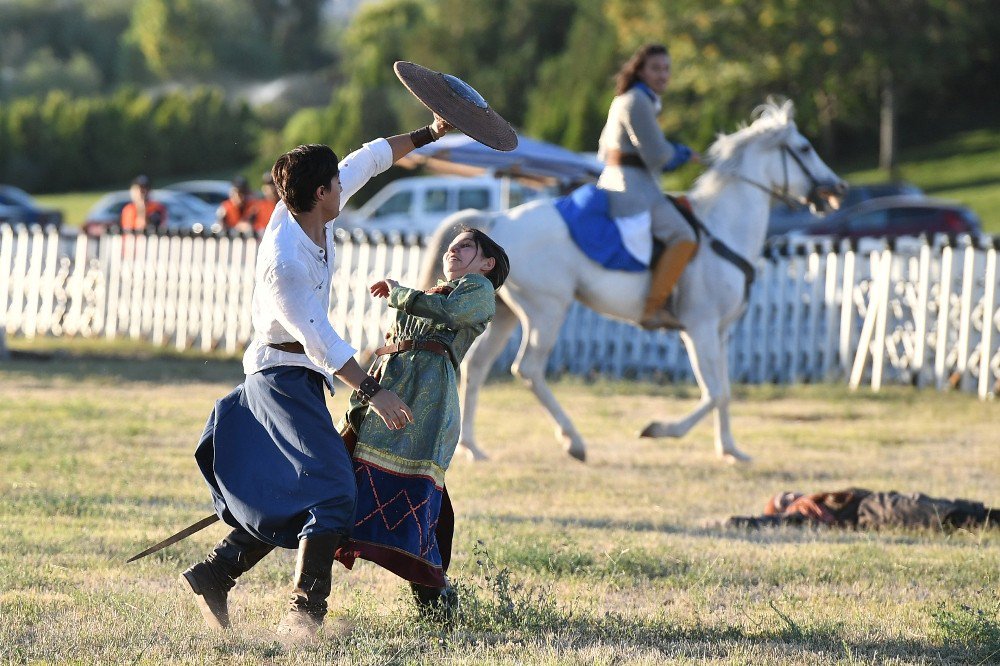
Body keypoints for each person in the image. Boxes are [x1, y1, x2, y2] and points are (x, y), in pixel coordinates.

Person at [178, 114, 454, 641]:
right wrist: (374, 391)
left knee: (310, 486)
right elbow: (321, 340)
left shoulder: (313, 203)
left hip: (300, 377)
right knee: (333, 491)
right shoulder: (284, 262)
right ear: (322, 192)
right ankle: (303, 617)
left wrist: (429, 134)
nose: (343, 186)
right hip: (279, 378)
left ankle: (215, 572)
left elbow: (370, 159)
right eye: (336, 184)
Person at [335, 226, 509, 620]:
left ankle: (434, 604)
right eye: (451, 246)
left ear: (487, 263)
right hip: (389, 394)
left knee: (410, 497)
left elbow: (450, 314)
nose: (454, 250)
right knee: (349, 477)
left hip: (426, 408)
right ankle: (307, 588)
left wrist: (399, 293)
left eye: (466, 246)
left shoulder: (478, 290)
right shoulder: (431, 295)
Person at [597, 43, 700, 329]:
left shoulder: (629, 99)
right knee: (684, 234)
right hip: (632, 188)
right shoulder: (638, 101)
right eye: (656, 68)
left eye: (666, 69)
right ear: (640, 70)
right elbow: (658, 156)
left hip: (622, 180)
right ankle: (652, 309)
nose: (663, 75)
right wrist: (684, 153)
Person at [725, 488, 997, 530]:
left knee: (947, 506)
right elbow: (765, 523)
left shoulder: (830, 497)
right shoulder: (804, 514)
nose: (791, 496)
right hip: (872, 512)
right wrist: (734, 521)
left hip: (880, 499)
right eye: (783, 502)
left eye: (788, 492)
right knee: (943, 516)